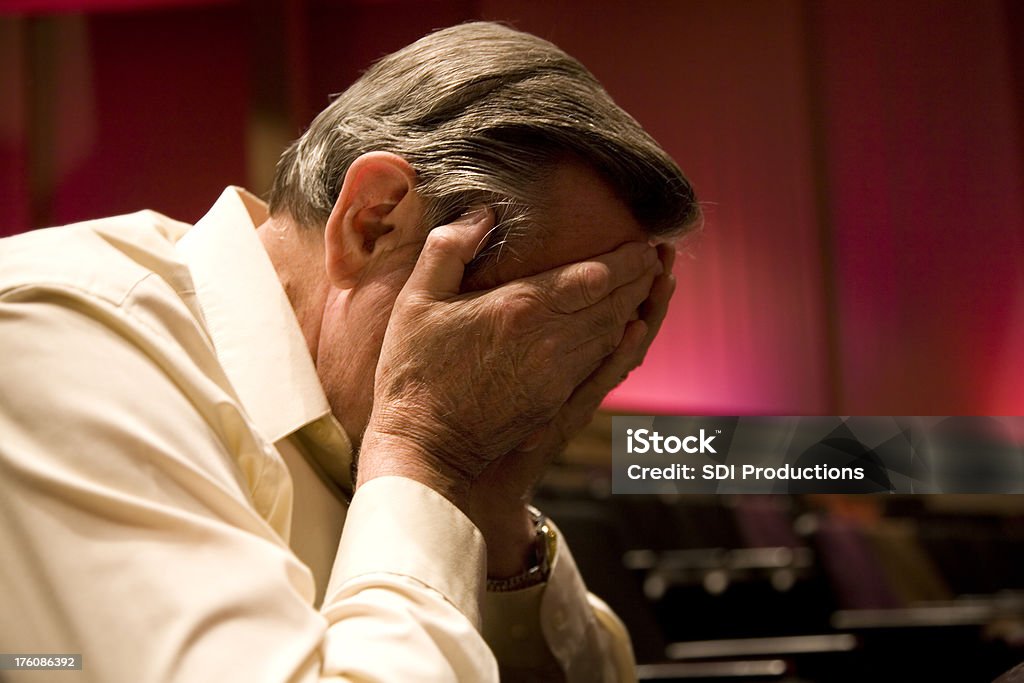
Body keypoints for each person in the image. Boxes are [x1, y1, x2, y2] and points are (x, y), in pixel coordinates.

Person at [0, 21, 698, 682]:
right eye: (527, 325)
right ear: (374, 222)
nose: (538, 384)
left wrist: (492, 499)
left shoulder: (367, 407)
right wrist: (429, 449)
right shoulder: (54, 339)